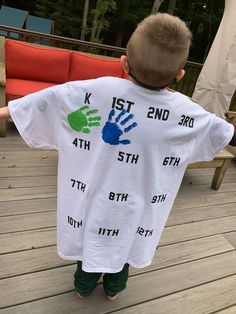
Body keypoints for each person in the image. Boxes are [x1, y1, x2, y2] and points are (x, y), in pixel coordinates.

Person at [0, 13, 236, 301]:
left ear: (124, 63)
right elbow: (225, 133)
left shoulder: (92, 91)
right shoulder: (186, 112)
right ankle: (113, 291)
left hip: (91, 200)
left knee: (89, 249)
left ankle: (83, 289)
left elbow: (34, 105)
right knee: (123, 250)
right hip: (137, 208)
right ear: (180, 74)